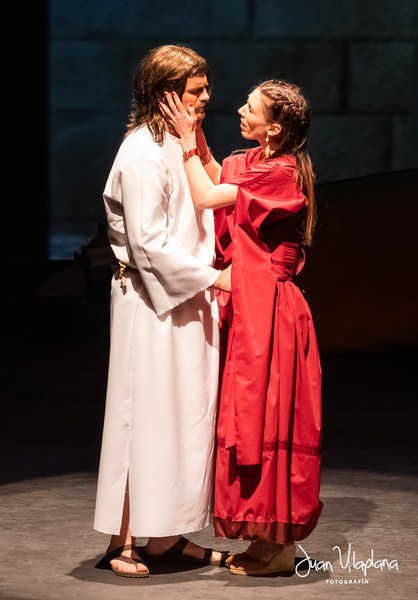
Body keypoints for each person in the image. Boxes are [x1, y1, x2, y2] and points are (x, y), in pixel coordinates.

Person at [159, 78, 323, 576]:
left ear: (273, 129)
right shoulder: (253, 161)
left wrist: (186, 142)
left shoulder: (282, 172)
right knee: (249, 417)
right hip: (252, 307)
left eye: (250, 107)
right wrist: (195, 132)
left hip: (272, 311)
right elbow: (217, 174)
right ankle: (263, 538)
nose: (239, 110)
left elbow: (208, 195)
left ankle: (279, 545)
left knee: (269, 417)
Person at [93, 44, 231, 578]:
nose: (207, 97)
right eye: (197, 90)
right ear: (166, 94)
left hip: (185, 300)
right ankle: (123, 541)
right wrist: (213, 277)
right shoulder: (141, 153)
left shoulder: (180, 145)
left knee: (183, 418)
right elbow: (147, 242)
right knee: (141, 418)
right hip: (152, 303)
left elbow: (211, 197)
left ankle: (168, 537)